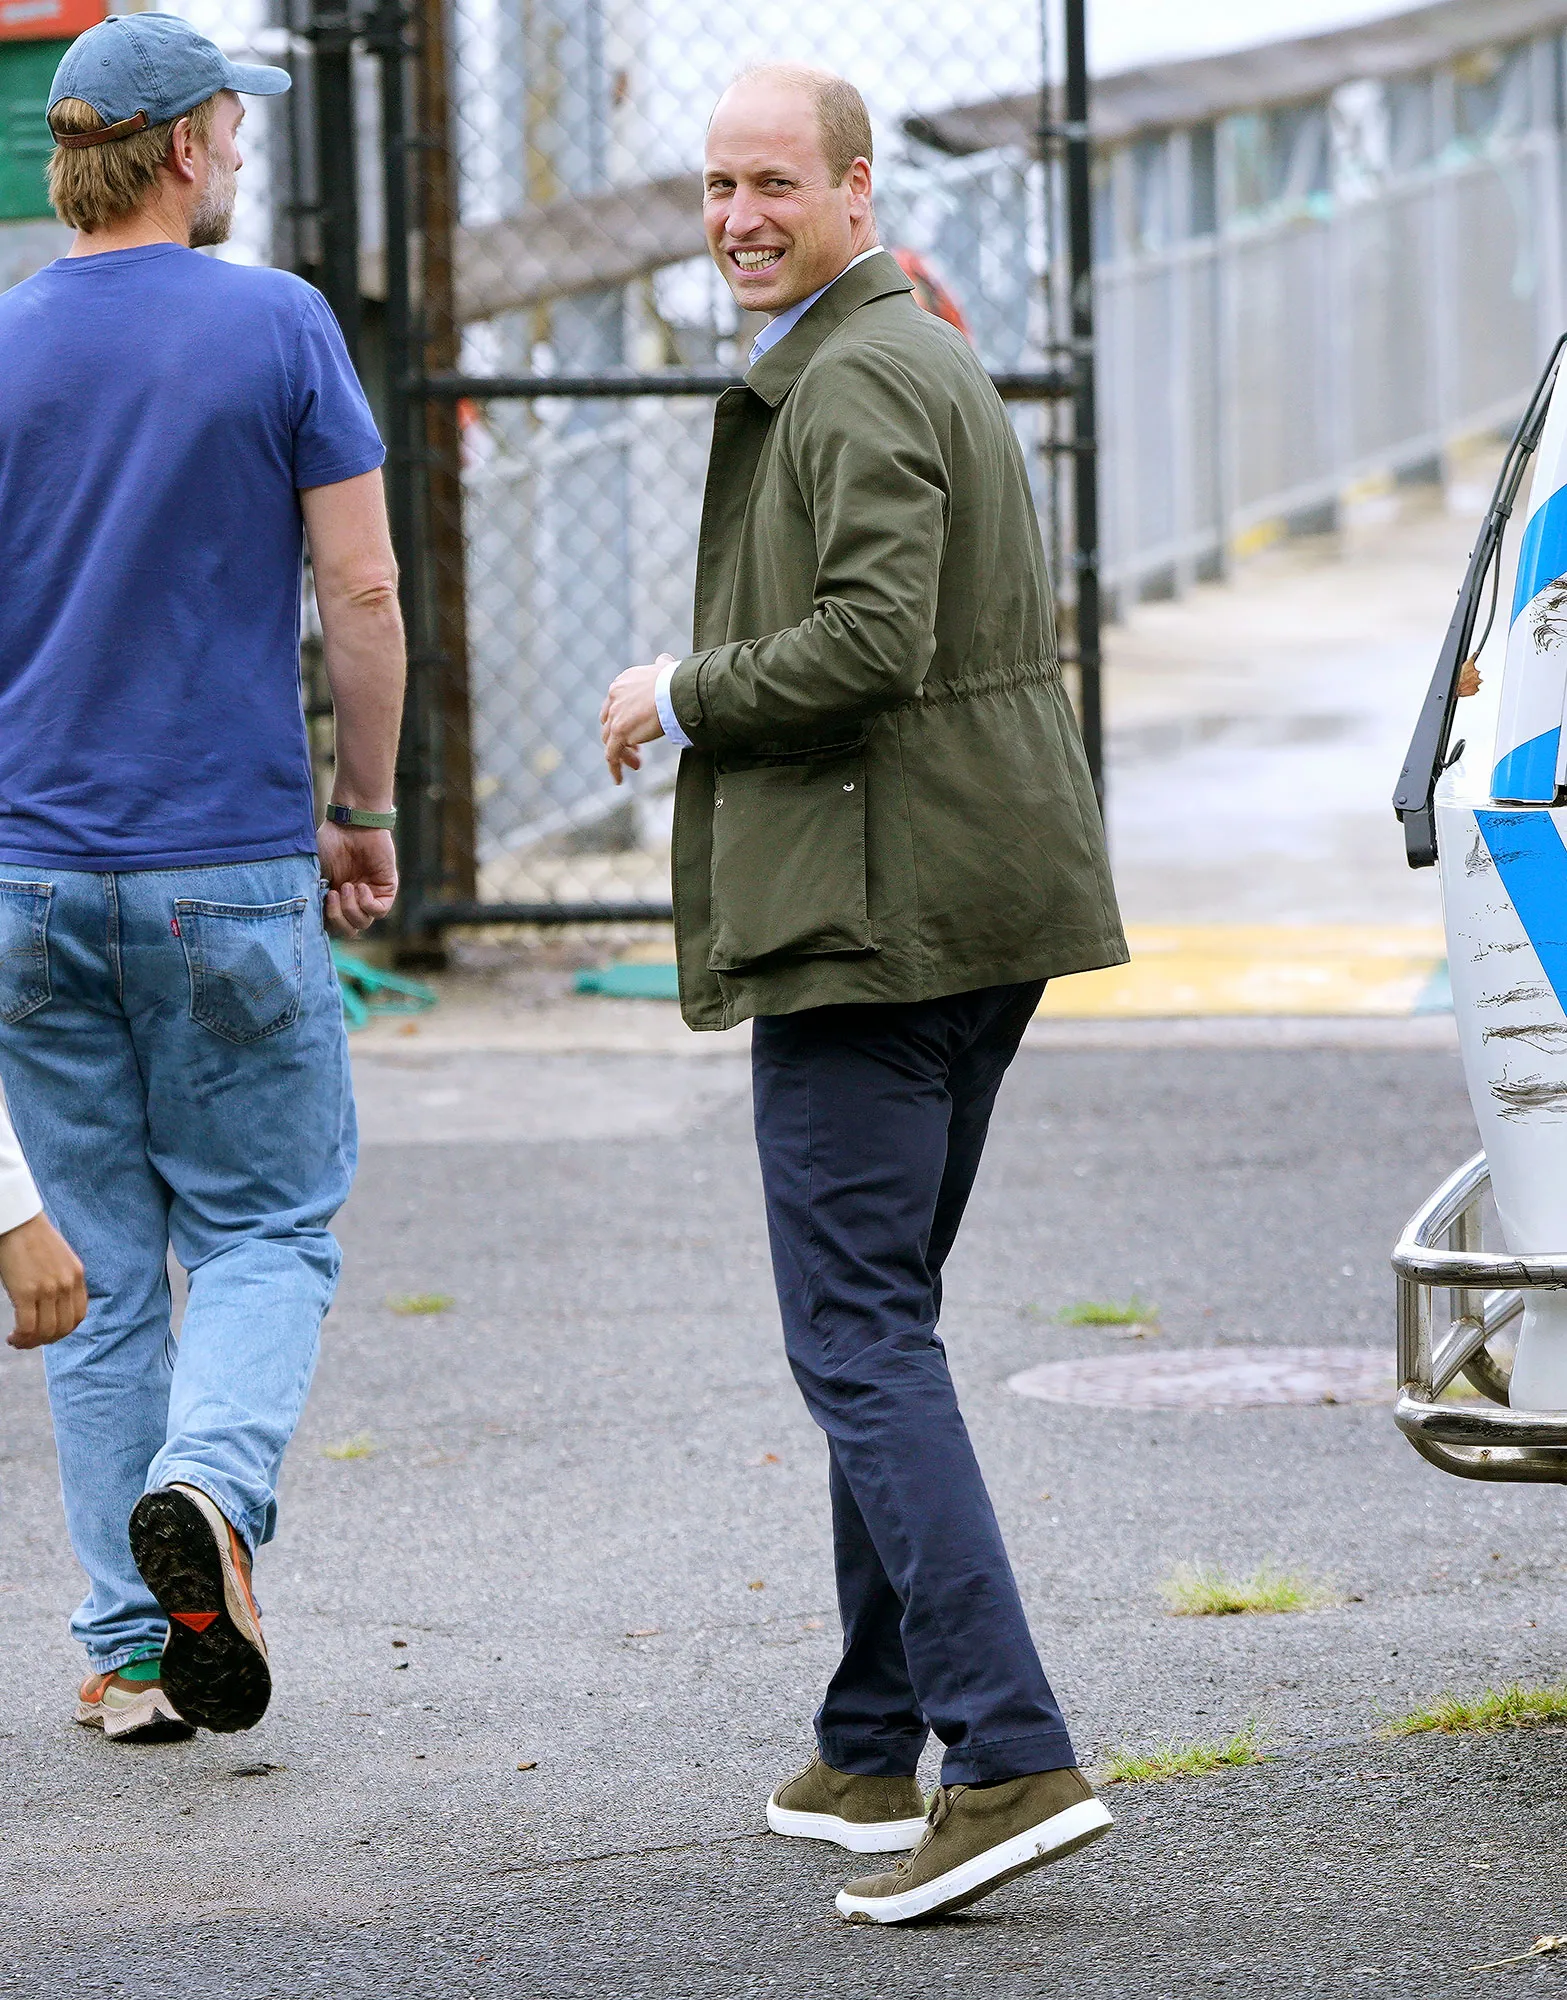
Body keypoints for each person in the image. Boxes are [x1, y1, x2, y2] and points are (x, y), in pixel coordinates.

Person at [600, 64, 1127, 1925]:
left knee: (856, 1339)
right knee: (878, 1316)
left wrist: (677, 694)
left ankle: (1005, 1758)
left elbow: (870, 640)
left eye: (771, 185)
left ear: (851, 187)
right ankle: (868, 1735)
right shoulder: (890, 351)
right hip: (963, 898)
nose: (738, 215)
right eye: (715, 185)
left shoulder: (855, 374)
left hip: (877, 917)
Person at [0, 12, 403, 1743]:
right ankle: (216, 1500)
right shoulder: (277, 325)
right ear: (180, 148)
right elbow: (364, 597)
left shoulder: (2, 341)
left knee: (90, 1265)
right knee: (266, 1223)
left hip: (27, 871)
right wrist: (364, 804)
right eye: (233, 130)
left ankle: (134, 1655)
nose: (240, 154)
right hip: (222, 867)